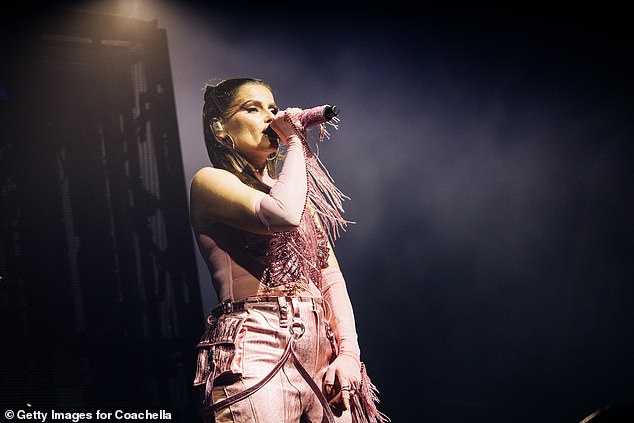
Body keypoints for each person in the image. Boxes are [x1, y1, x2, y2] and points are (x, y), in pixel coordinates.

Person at [189, 78, 388, 423]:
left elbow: (329, 278)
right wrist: (295, 139)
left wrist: (349, 356)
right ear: (219, 125)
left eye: (272, 109)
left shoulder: (291, 191)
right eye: (252, 109)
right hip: (255, 344)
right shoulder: (210, 181)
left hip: (322, 351)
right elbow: (280, 214)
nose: (270, 118)